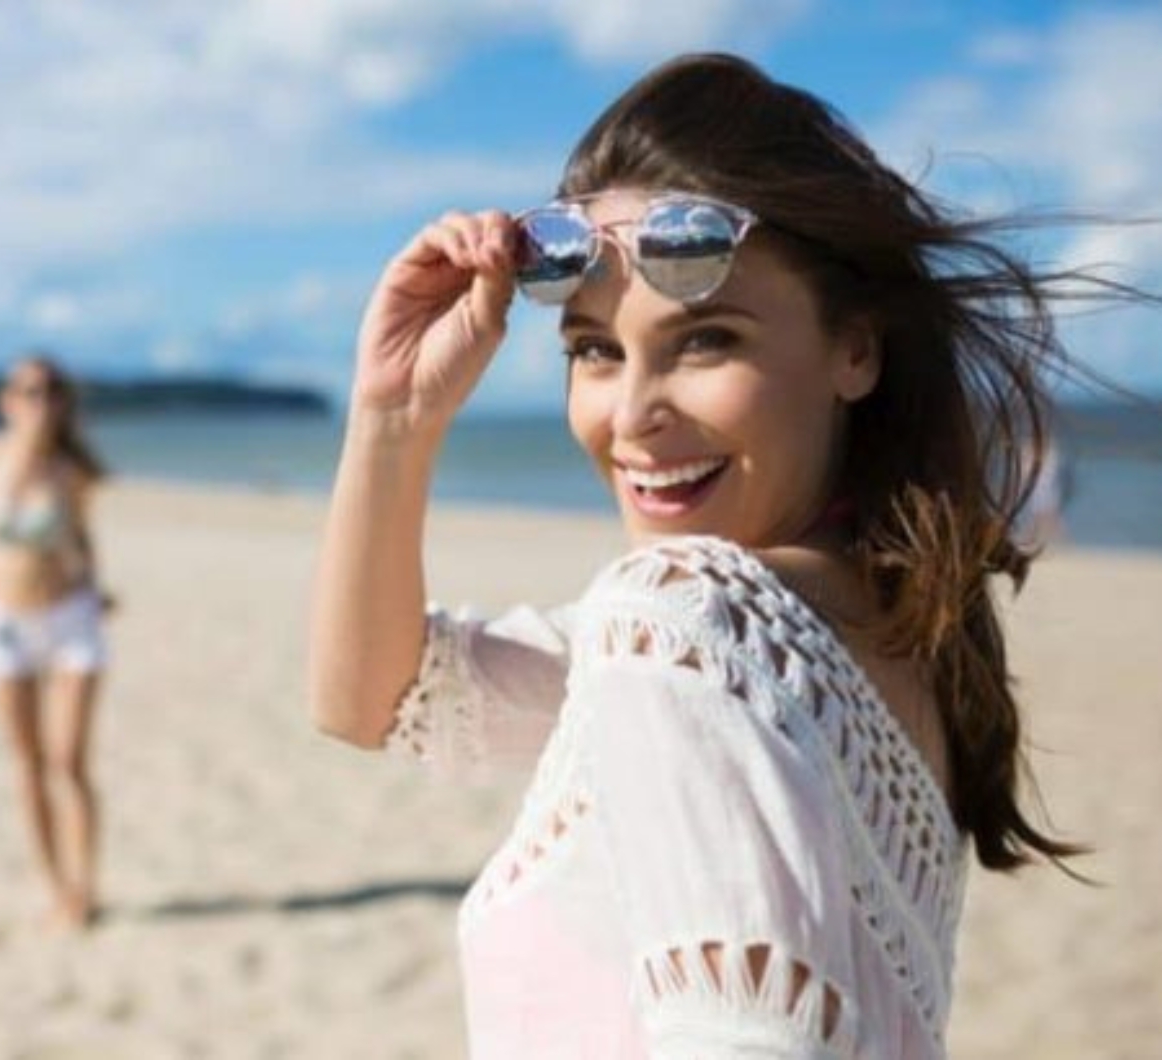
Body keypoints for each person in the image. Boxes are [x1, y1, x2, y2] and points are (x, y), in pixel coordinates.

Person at [310, 53, 1107, 1057]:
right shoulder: (878, 623)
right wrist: (393, 415)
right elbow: (377, 699)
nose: (633, 418)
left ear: (853, 350)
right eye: (594, 349)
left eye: (705, 340)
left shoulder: (687, 617)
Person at [0, 353, 111, 929]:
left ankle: (85, 888)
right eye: (28, 390)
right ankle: (55, 887)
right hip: (5, 623)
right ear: (6, 400)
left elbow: (81, 537)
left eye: (51, 391)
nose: (40, 401)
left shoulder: (72, 470)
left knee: (68, 760)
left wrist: (98, 588)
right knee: (27, 765)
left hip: (72, 618)